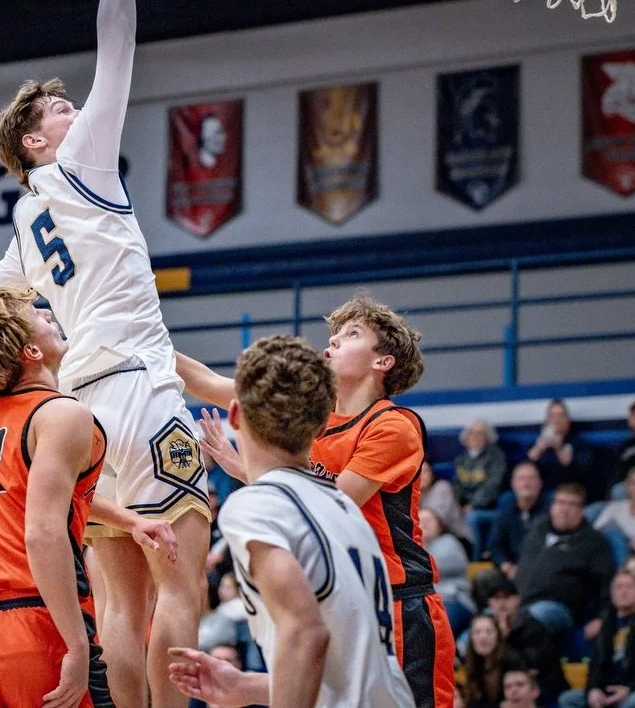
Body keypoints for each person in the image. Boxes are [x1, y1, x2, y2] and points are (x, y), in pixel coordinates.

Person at [0, 0, 210, 708]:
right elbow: (118, 47)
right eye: (61, 112)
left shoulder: (20, 231)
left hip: (77, 413)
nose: (79, 113)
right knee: (183, 586)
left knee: (122, 599)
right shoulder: (79, 165)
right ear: (39, 144)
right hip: (142, 391)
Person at [184, 293, 452, 708]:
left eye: (351, 334)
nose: (331, 343)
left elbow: (327, 507)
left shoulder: (393, 425)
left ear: (383, 362)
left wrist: (246, 471)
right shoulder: (311, 417)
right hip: (338, 592)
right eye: (333, 335)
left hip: (398, 602)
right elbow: (204, 382)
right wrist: (133, 334)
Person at [0, 283, 177, 708]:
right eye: (39, 316)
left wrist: (130, 520)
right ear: (30, 352)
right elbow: (42, 531)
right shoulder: (62, 413)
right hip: (36, 620)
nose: (49, 314)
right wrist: (77, 645)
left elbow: (35, 495)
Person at [559, 568, 635, 708]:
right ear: (612, 594)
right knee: (568, 699)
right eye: (619, 587)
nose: (624, 591)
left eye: (629, 587)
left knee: (634, 702)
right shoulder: (607, 621)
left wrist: (631, 689)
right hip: (611, 687)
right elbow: (597, 663)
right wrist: (593, 689)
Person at [514, 482, 615, 634]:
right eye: (560, 502)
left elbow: (606, 584)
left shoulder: (593, 541)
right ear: (552, 505)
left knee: (532, 617)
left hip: (557, 608)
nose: (565, 509)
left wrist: (602, 618)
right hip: (520, 602)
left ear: (582, 510)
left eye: (572, 504)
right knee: (479, 626)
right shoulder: (538, 529)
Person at [483, 580, 565, 706]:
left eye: (507, 597)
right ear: (490, 603)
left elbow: (528, 668)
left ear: (517, 600)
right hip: (506, 693)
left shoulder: (532, 627)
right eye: (496, 598)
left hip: (543, 693)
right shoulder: (489, 629)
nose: (501, 603)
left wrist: (505, 639)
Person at [454, 420, 507, 560]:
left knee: (472, 519)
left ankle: (474, 561)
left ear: (487, 437)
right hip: (465, 508)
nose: (475, 437)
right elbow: (457, 486)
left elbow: (493, 486)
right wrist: (459, 505)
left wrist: (473, 505)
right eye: (471, 433)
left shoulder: (496, 456)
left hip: (491, 509)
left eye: (480, 433)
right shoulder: (461, 459)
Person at [487, 462, 549, 577]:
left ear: (540, 483)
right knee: (484, 579)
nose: (526, 483)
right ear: (513, 484)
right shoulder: (505, 511)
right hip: (512, 570)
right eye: (521, 479)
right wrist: (505, 565)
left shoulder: (551, 512)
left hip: (542, 572)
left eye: (531, 479)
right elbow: (495, 545)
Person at [419, 507, 472, 634]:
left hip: (452, 599)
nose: (424, 524)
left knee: (438, 626)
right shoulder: (411, 548)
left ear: (439, 525)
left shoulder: (449, 542)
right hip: (424, 603)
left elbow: (433, 567)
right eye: (420, 520)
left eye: (429, 520)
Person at [527, 400, 594, 493]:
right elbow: (524, 468)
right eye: (552, 416)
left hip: (568, 492)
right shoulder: (537, 443)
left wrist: (559, 448)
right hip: (539, 493)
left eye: (561, 416)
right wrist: (538, 449)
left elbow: (581, 473)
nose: (556, 420)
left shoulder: (579, 444)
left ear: (568, 420)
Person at [457, 613, 508, 708]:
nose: (483, 637)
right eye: (477, 632)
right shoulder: (465, 666)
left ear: (498, 636)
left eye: (489, 632)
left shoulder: (510, 664)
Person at [418, 461, 467, 541]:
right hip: (426, 540)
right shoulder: (412, 495)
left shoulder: (442, 487)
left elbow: (435, 524)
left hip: (453, 538)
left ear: (432, 474)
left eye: (425, 471)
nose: (421, 476)